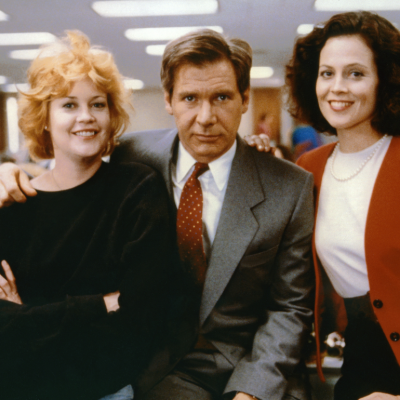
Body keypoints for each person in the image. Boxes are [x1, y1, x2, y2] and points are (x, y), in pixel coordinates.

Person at [0, 29, 315, 400]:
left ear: (245, 98)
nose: (205, 117)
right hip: (157, 366)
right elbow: (71, 173)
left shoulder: (288, 187)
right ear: (168, 100)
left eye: (222, 97)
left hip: (247, 363)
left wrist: (253, 391)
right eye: (189, 98)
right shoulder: (135, 156)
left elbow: (289, 309)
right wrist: (8, 171)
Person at [0, 31, 187, 400]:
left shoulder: (136, 190)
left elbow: (140, 319)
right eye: (69, 105)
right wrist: (102, 304)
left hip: (105, 389)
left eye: (97, 104)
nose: (86, 117)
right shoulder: (15, 203)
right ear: (44, 117)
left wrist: (29, 318)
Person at [285, 10, 400, 400]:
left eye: (355, 73)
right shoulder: (309, 167)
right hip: (362, 360)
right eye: (326, 73)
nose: (337, 87)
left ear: (385, 80)